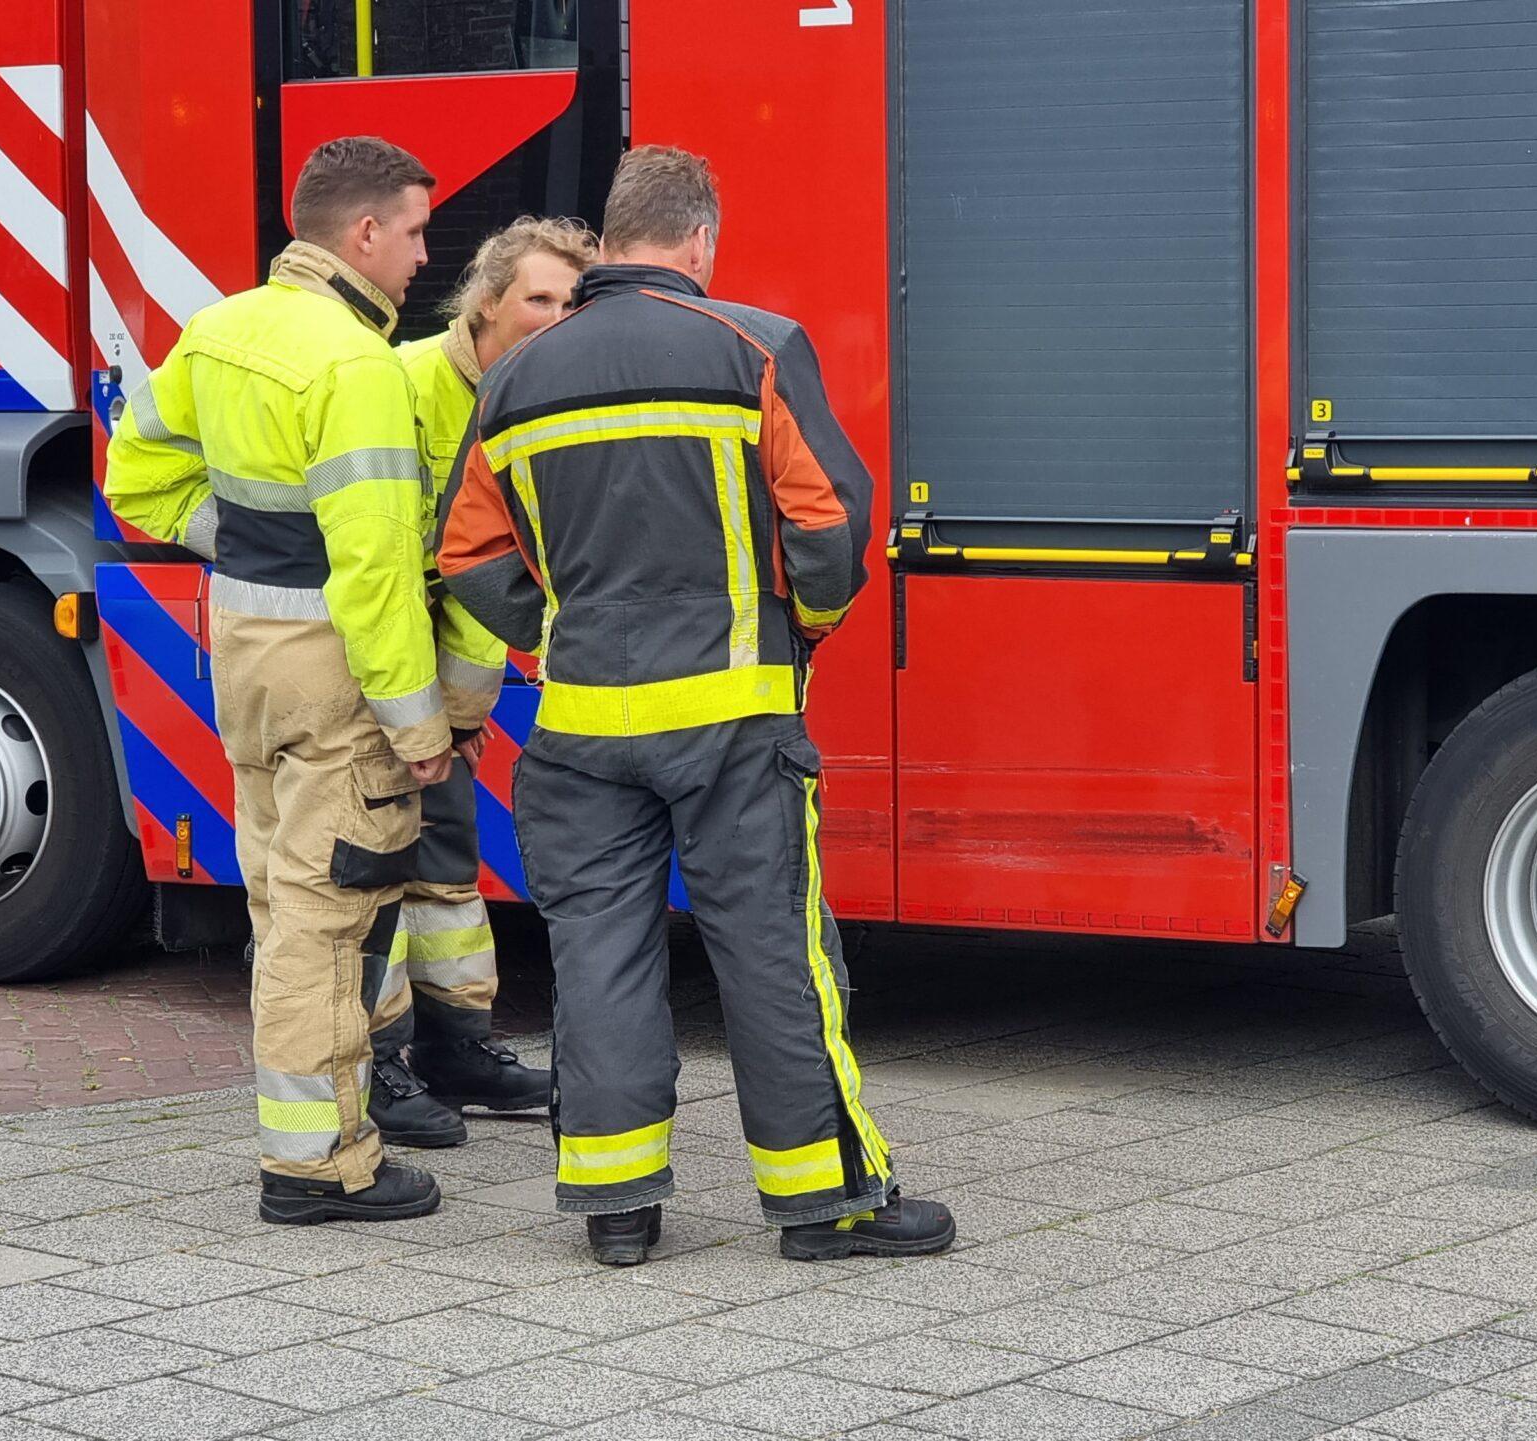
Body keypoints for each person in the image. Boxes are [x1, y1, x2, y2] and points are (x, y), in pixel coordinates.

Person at [438, 146, 956, 1265]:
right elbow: (827, 529)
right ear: (699, 241)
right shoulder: (752, 348)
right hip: (733, 723)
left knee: (600, 954)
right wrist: (796, 634)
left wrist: (545, 629)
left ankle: (618, 1211)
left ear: (608, 240)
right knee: (773, 951)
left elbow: (465, 548)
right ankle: (825, 1206)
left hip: (579, 730)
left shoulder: (515, 379)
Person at [105, 137, 449, 1226]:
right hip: (335, 675)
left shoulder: (218, 329)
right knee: (323, 920)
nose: (422, 253)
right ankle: (316, 1164)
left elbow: (135, 478)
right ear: (361, 234)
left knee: (280, 899)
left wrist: (246, 545)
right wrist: (420, 721)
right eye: (413, 229)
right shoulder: (355, 365)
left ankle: (326, 1131)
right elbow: (379, 568)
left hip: (245, 655)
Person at [367, 217, 599, 1146]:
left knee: (447, 860)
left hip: (440, 658)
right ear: (486, 302)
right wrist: (410, 708)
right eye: (538, 298)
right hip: (370, 654)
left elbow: (486, 568)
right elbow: (385, 561)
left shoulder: (536, 392)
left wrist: (458, 717)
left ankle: (456, 1048)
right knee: (369, 862)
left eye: (572, 301)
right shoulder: (403, 381)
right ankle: (374, 1061)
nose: (556, 316)